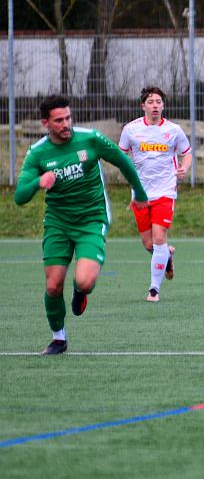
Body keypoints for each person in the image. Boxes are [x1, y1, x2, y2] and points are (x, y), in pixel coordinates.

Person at [14, 95, 149, 355]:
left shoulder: (90, 139)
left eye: (68, 118)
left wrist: (140, 193)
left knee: (85, 281)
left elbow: (123, 162)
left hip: (91, 218)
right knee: (53, 285)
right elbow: (20, 196)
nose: (66, 124)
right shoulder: (38, 153)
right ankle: (58, 338)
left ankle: (80, 290)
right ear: (46, 123)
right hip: (57, 223)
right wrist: (38, 182)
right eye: (59, 120)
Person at [119, 86, 192, 302]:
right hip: (141, 194)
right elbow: (121, 155)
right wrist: (127, 172)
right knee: (149, 244)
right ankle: (166, 256)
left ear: (163, 105)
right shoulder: (130, 130)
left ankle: (154, 289)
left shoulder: (173, 130)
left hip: (166, 191)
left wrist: (184, 168)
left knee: (159, 238)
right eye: (150, 102)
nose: (155, 106)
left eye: (158, 102)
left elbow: (186, 154)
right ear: (143, 105)